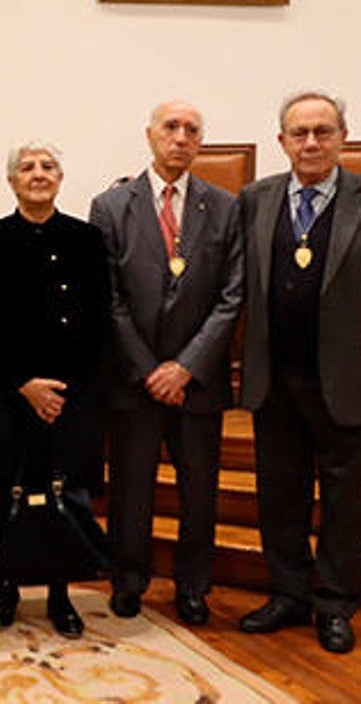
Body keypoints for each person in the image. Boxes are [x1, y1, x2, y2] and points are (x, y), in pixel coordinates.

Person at [89, 101, 243, 626]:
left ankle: (192, 586)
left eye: (191, 130)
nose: (180, 137)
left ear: (201, 142)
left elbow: (232, 295)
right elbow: (107, 298)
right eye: (170, 128)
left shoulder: (226, 207)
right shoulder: (110, 206)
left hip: (198, 382)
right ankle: (128, 580)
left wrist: (186, 367)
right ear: (149, 135)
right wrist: (150, 368)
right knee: (132, 487)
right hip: (135, 381)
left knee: (198, 491)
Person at [0, 143, 109, 639]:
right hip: (10, 394)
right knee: (10, 493)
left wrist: (64, 392)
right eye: (27, 167)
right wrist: (25, 385)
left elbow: (99, 321)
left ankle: (59, 594)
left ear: (61, 177)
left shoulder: (87, 239)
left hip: (69, 398)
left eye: (47, 167)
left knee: (64, 493)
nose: (38, 174)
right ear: (11, 182)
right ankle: (6, 585)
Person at [237, 91, 361, 654]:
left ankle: (334, 602)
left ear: (342, 137)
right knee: (280, 493)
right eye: (300, 133)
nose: (311, 142)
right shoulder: (254, 200)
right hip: (274, 378)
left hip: (345, 380)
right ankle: (288, 591)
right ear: (281, 140)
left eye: (323, 131)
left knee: (345, 499)